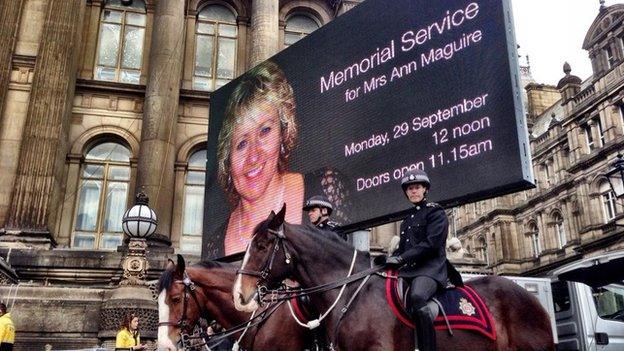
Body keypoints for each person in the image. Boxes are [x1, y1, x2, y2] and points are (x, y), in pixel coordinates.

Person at [374, 169, 461, 351]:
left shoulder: (435, 212)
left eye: (417, 187)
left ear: (425, 190)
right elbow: (404, 248)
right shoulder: (407, 220)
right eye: (410, 189)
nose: (413, 191)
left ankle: (426, 348)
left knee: (417, 296)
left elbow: (431, 243)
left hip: (430, 270)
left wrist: (401, 259)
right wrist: (387, 260)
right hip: (409, 271)